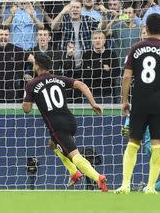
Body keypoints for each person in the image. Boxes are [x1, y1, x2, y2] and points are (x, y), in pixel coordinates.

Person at [115, 13, 160, 194]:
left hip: (139, 102)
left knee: (133, 143)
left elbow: (127, 77)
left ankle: (125, 185)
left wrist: (124, 101)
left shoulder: (136, 48)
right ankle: (151, 187)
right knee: (158, 144)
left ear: (145, 28)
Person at [22, 52, 108, 192]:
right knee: (52, 143)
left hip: (57, 126)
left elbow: (26, 109)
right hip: (70, 121)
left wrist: (27, 94)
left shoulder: (32, 84)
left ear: (37, 66)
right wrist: (93, 103)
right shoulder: (59, 79)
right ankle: (74, 172)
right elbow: (80, 84)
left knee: (75, 155)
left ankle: (98, 177)